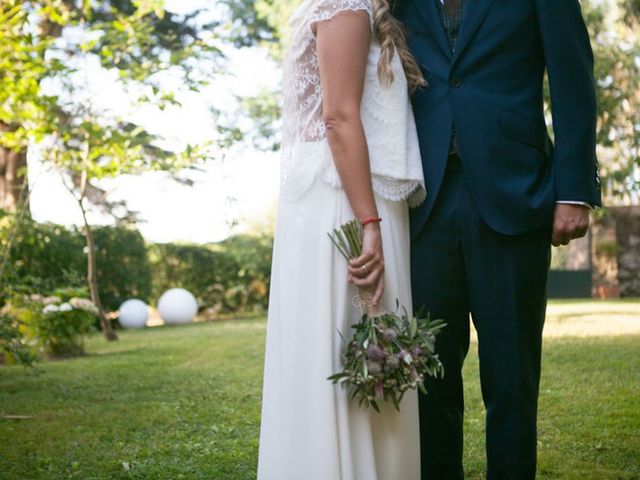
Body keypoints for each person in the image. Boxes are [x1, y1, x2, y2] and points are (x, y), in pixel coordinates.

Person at [393, 0, 602, 478]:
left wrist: (574, 191)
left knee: (512, 377)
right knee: (428, 375)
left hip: (515, 194)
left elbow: (573, 79)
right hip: (421, 200)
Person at [257, 0, 427, 478]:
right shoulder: (346, 6)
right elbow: (338, 117)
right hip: (349, 201)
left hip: (348, 193)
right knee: (351, 347)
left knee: (361, 354)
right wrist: (369, 224)